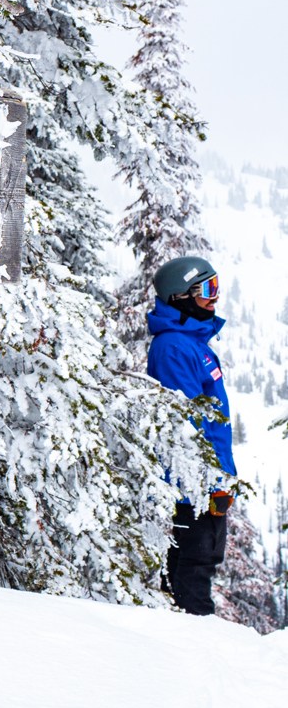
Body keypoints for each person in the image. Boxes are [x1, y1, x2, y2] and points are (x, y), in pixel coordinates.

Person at [146, 255, 235, 616]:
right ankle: (193, 644)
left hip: (206, 480)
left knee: (202, 562)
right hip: (191, 487)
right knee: (192, 568)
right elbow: (185, 425)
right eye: (206, 290)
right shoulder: (174, 348)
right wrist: (209, 481)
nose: (214, 299)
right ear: (180, 296)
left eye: (216, 288)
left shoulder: (194, 344)